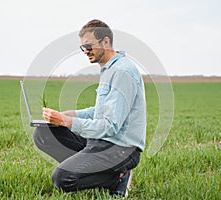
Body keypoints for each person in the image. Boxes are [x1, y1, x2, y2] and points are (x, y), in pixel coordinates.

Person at [33, 19, 146, 198]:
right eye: (83, 47)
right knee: (45, 134)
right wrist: (70, 115)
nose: (85, 51)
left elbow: (110, 125)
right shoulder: (110, 69)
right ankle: (94, 172)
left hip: (121, 149)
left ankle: (117, 178)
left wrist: (67, 121)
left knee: (63, 179)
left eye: (89, 46)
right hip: (101, 141)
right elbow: (101, 111)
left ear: (106, 42)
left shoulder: (122, 72)